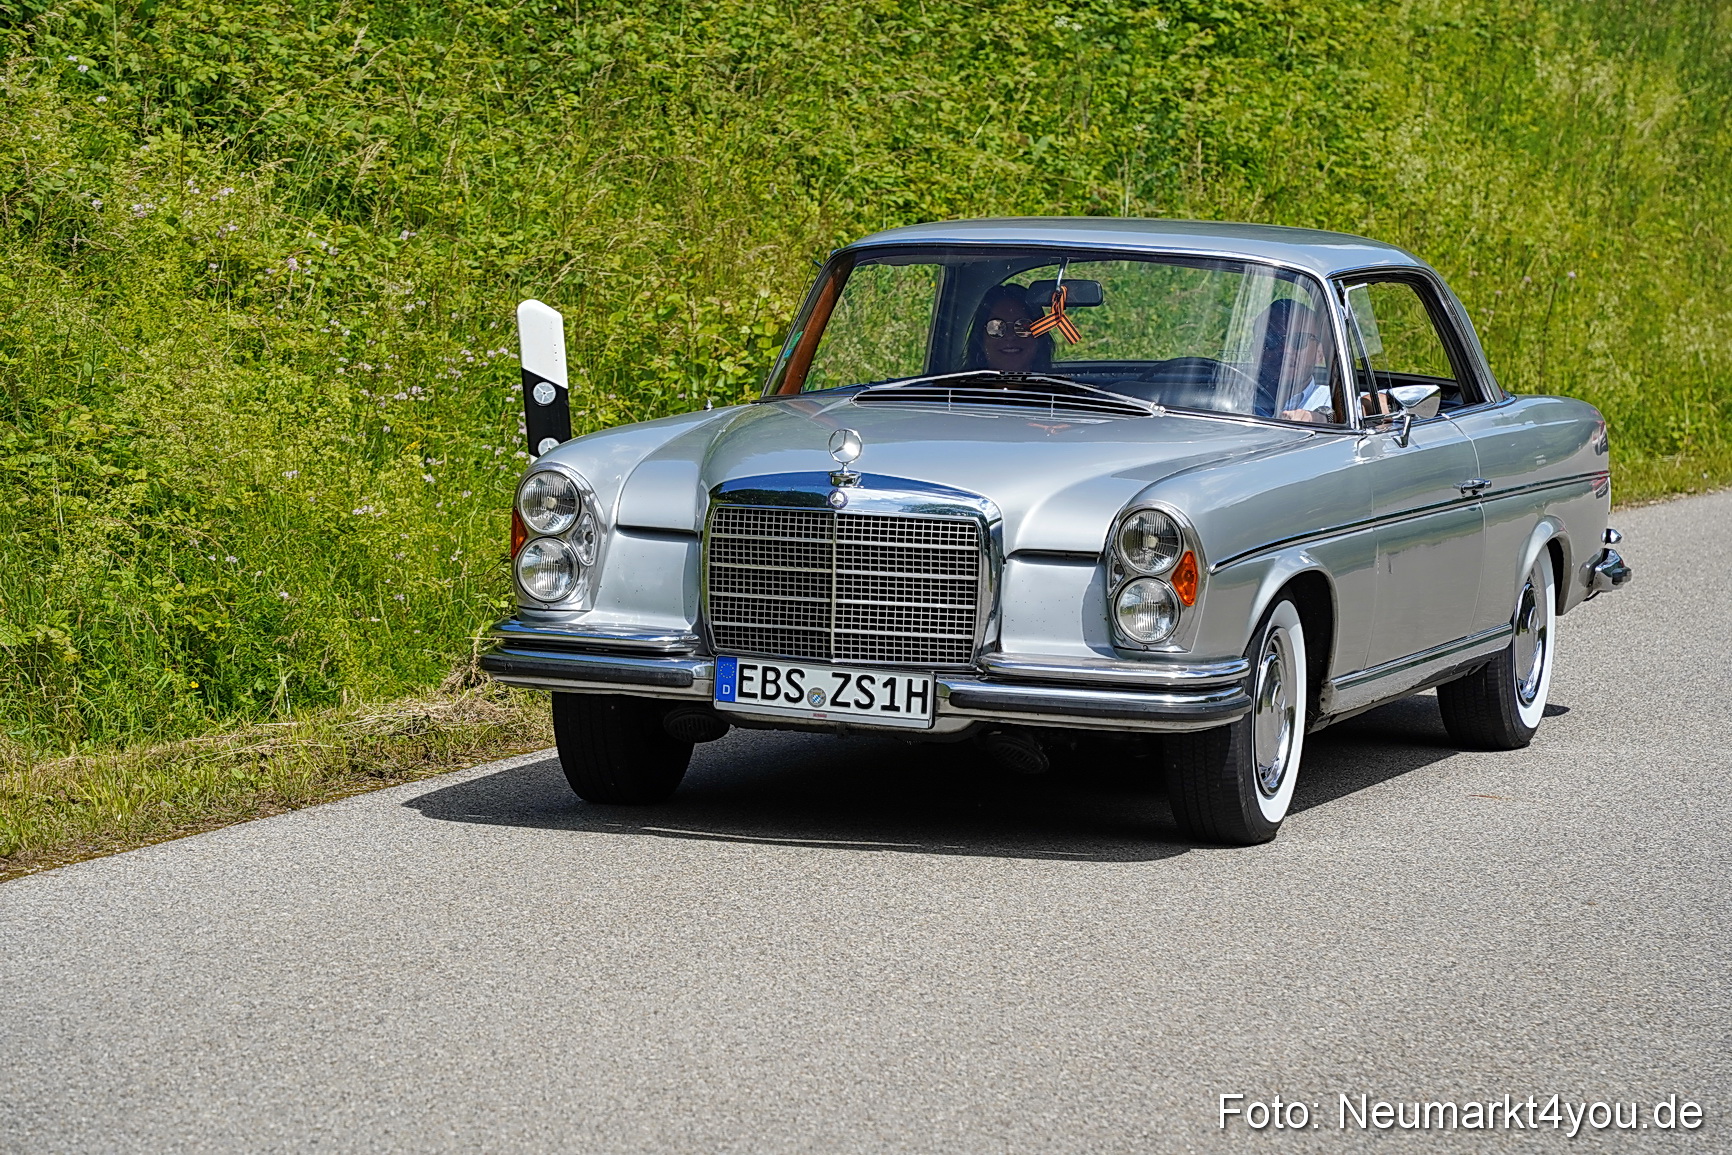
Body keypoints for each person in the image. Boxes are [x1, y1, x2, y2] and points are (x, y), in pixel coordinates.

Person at [965, 283, 1054, 374]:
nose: (1010, 336)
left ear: (1039, 338)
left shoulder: (1059, 383)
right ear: (980, 338)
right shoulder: (958, 383)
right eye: (996, 327)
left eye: (1022, 326)